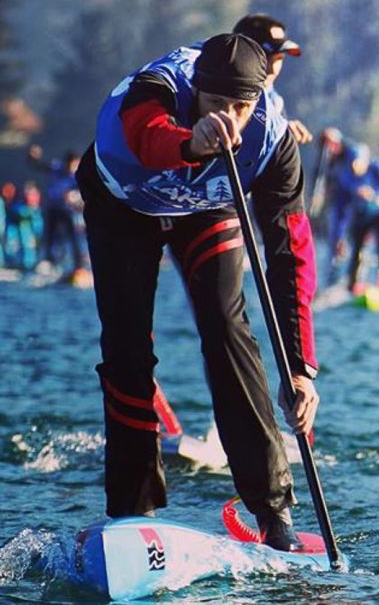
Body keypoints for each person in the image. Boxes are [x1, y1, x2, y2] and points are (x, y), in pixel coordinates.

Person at [75, 33, 320, 550]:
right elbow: (147, 136)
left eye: (241, 105)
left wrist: (300, 368)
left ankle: (274, 514)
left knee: (228, 328)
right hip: (124, 206)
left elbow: (288, 253)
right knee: (126, 350)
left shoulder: (273, 138)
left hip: (206, 209)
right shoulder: (157, 88)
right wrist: (193, 140)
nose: (229, 117)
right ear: (196, 94)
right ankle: (131, 514)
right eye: (216, 104)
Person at [231, 14, 312, 146]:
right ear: (243, 53)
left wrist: (280, 135)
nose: (273, 70)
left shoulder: (275, 101)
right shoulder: (216, 94)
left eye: (279, 59)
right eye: (266, 58)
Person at [338, 143, 379, 293]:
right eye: (352, 163)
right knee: (357, 250)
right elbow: (341, 208)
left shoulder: (377, 166)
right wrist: (340, 236)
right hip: (361, 215)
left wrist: (372, 192)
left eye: (358, 162)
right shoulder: (345, 176)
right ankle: (353, 286)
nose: (355, 167)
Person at [28, 146, 88, 275]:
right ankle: (50, 262)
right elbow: (40, 166)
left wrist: (76, 199)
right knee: (50, 236)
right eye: (73, 163)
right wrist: (33, 159)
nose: (74, 166)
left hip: (67, 210)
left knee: (73, 237)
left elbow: (83, 191)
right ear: (68, 162)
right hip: (53, 208)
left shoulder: (76, 175)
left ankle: (79, 266)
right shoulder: (56, 168)